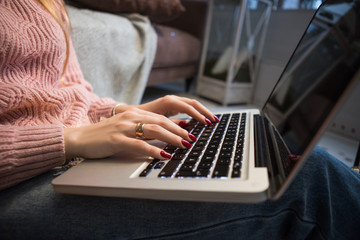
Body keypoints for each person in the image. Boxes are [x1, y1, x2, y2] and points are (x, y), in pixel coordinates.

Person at [0, 0, 359, 239]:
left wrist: (118, 112)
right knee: (310, 182)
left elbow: (66, 88)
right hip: (20, 182)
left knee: (274, 158)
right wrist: (69, 140)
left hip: (74, 150)